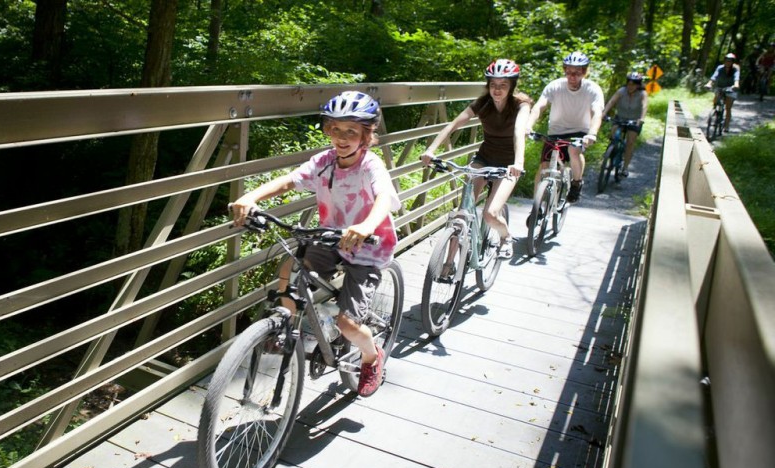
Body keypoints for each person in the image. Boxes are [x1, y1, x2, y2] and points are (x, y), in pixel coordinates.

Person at [229, 91, 400, 398]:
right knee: (290, 268)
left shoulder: (370, 165)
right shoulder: (324, 162)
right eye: (335, 129)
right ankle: (284, 326)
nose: (342, 138)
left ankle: (372, 356)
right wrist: (251, 197)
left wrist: (365, 226)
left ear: (366, 134)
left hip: (368, 246)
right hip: (331, 237)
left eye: (351, 131)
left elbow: (384, 198)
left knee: (348, 325)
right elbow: (289, 181)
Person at [420, 59, 532, 260]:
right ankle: (447, 266)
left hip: (509, 165)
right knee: (462, 213)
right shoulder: (483, 103)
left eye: (503, 85)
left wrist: (518, 163)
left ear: (512, 86)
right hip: (484, 158)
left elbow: (518, 132)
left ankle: (506, 237)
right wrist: (431, 150)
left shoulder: (521, 105)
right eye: (493, 84)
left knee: (490, 214)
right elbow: (452, 125)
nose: (497, 89)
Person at [526, 51, 604, 204]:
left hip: (580, 131)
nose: (572, 76)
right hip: (556, 132)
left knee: (573, 150)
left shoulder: (593, 89)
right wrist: (528, 126)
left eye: (577, 72)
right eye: (568, 71)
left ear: (584, 72)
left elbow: (597, 113)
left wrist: (592, 133)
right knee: (544, 167)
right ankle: (536, 206)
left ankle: (576, 182)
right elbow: (539, 106)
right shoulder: (555, 86)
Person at [601, 72, 649, 177]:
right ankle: (611, 151)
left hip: (634, 120)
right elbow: (611, 102)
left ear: (638, 85)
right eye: (629, 84)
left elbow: (644, 106)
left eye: (633, 84)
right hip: (620, 117)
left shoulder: (642, 94)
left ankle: (625, 167)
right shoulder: (621, 91)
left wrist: (641, 119)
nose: (630, 86)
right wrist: (604, 113)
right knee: (613, 134)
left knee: (630, 142)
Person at [704, 53, 741, 131]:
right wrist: (709, 84)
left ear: (732, 62)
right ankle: (714, 113)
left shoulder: (735, 69)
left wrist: (736, 85)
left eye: (730, 61)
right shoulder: (720, 68)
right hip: (720, 87)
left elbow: (736, 79)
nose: (727, 62)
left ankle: (726, 125)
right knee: (715, 100)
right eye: (726, 60)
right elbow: (714, 77)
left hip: (731, 88)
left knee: (728, 107)